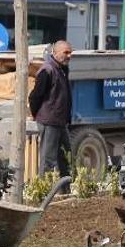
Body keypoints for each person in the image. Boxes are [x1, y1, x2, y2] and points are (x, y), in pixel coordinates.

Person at [29, 40, 73, 178]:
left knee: (67, 156)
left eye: (70, 52)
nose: (69, 55)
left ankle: (65, 189)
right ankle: (43, 194)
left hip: (60, 122)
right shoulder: (47, 70)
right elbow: (34, 97)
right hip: (49, 122)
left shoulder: (62, 69)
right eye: (66, 52)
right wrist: (38, 116)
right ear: (55, 53)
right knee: (48, 160)